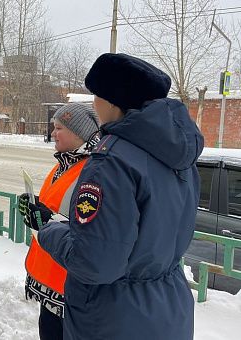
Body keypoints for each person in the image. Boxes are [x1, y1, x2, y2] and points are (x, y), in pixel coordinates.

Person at [38, 53, 204, 340]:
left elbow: (95, 263)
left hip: (114, 316)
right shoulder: (178, 157)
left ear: (113, 102)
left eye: (96, 95)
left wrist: (50, 231)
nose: (94, 103)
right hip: (168, 308)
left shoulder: (111, 161)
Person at [18, 103, 99, 340]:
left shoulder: (92, 171)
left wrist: (45, 219)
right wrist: (35, 211)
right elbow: (56, 210)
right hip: (49, 281)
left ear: (79, 132)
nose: (53, 133)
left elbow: (88, 230)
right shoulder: (62, 165)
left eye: (59, 127)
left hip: (69, 290)